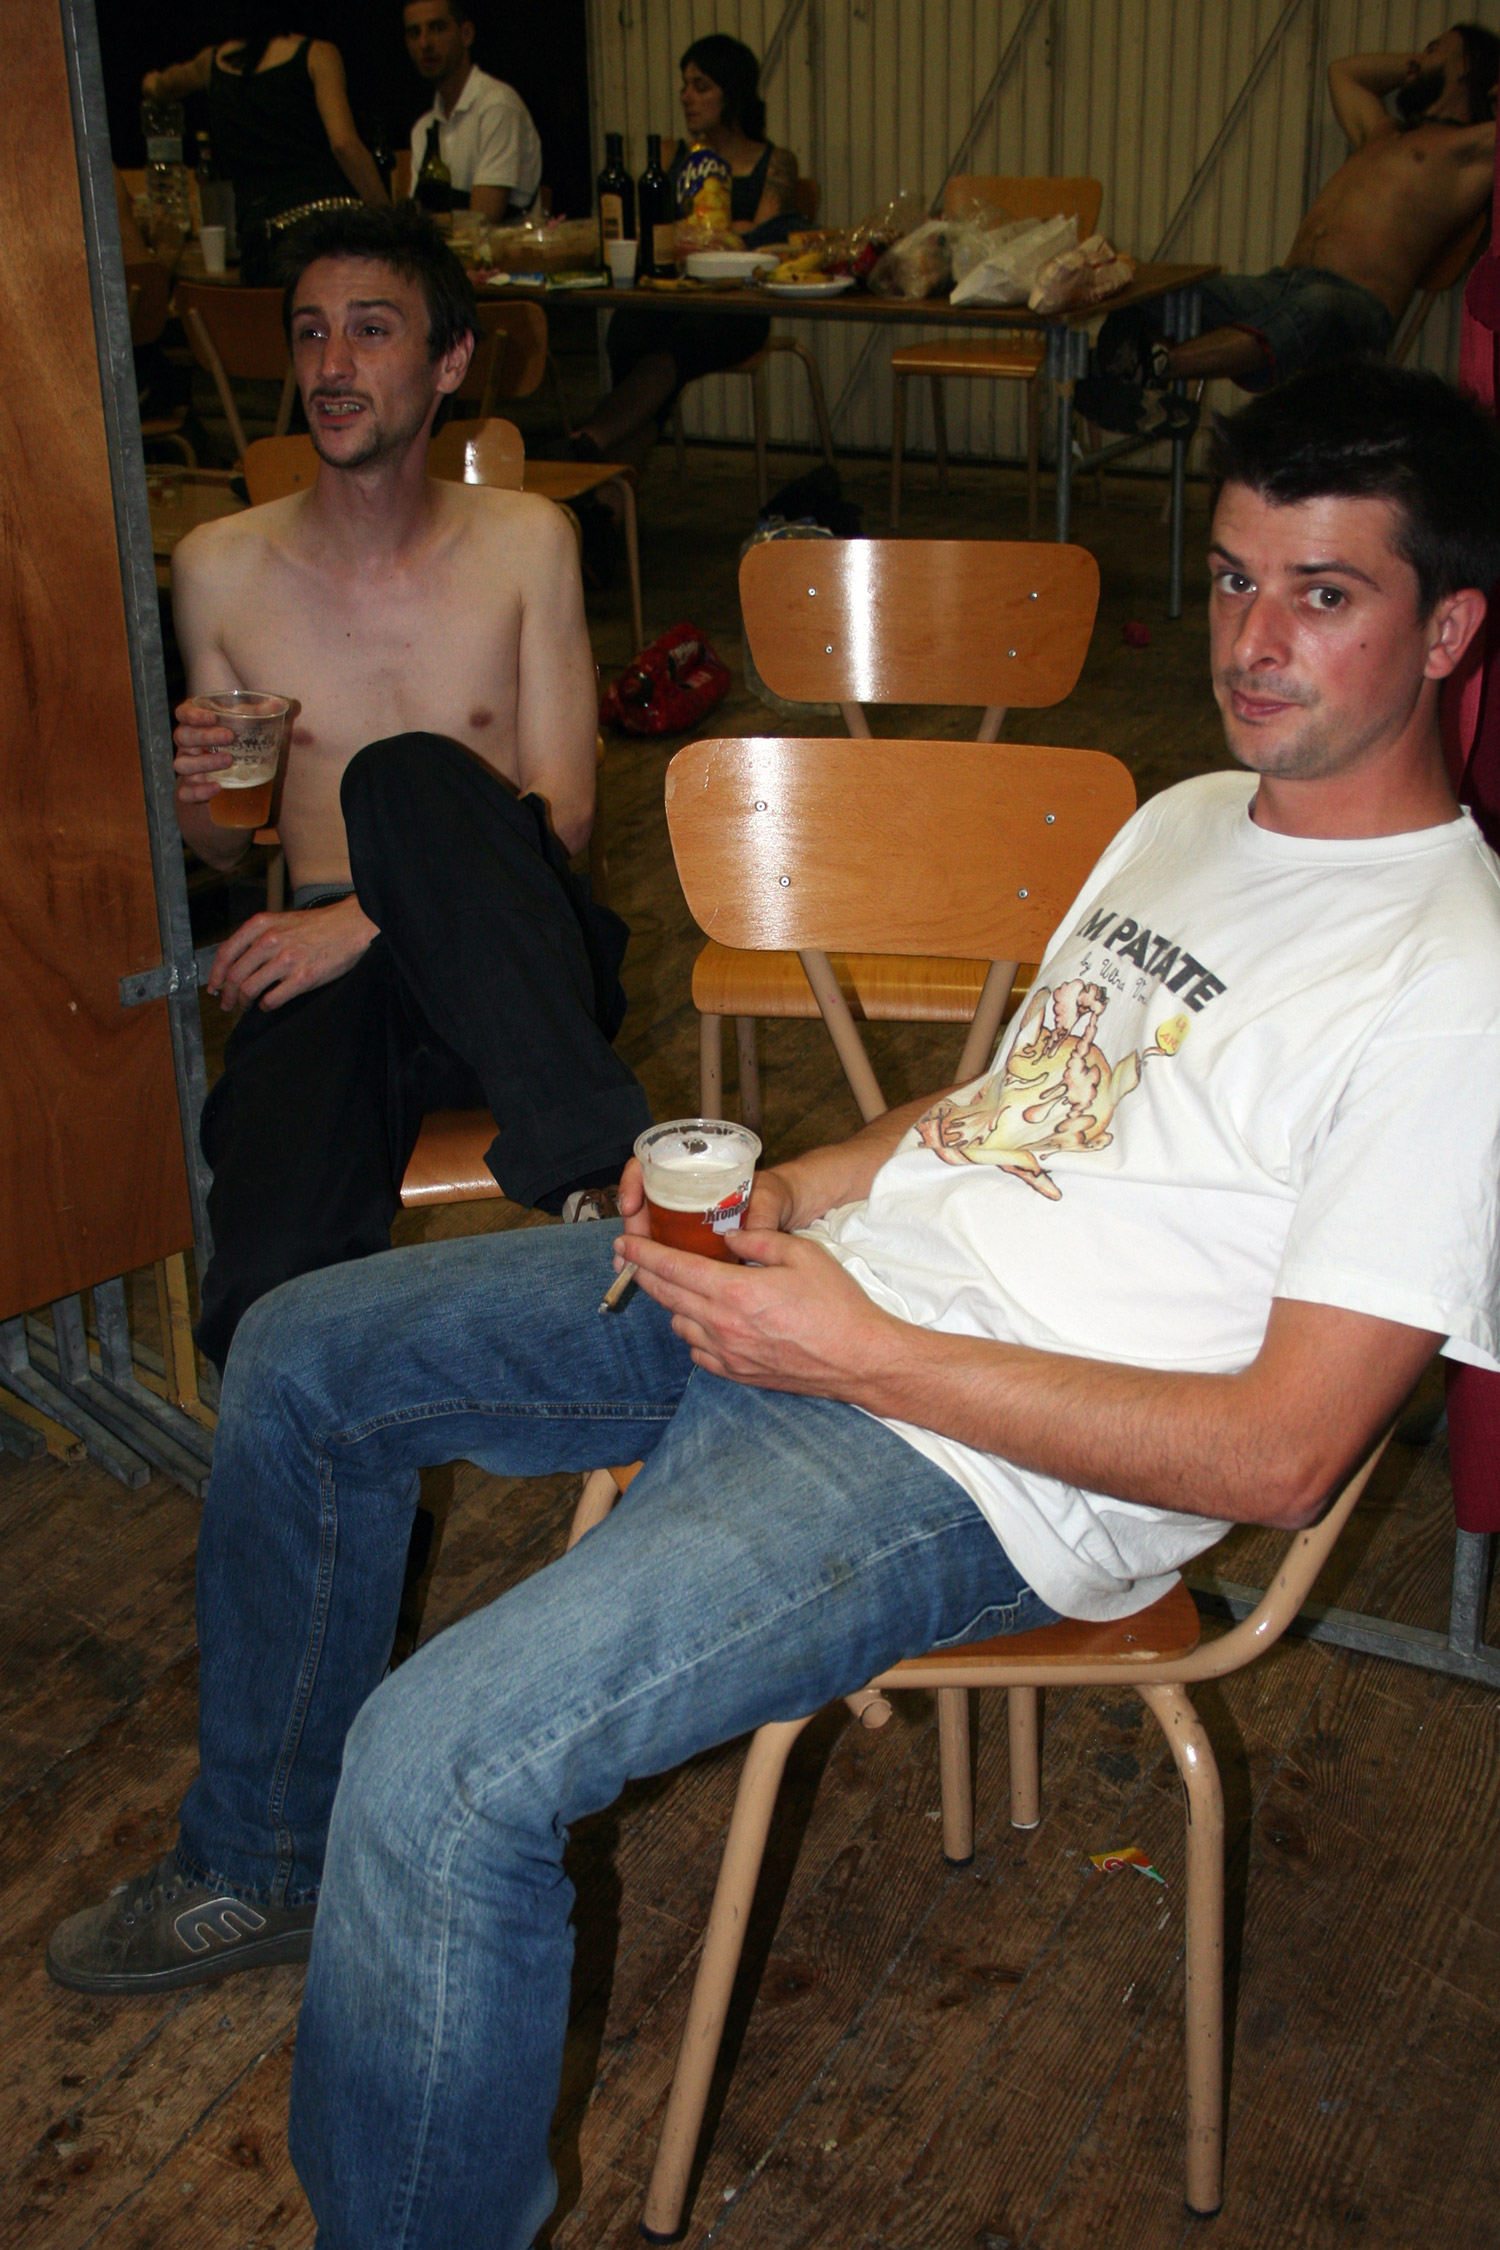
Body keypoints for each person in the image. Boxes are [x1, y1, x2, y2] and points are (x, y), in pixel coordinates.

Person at [47, 364, 1500, 2250]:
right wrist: (802, 1191)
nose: (1252, 641)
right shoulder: (1191, 813)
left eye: (1324, 594)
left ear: (1449, 628)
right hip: (842, 1299)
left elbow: (1286, 1457)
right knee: (307, 1349)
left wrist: (860, 1350)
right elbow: (1005, 1103)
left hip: (981, 1467)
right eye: (1232, 579)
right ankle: (263, 1860)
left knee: (445, 1766)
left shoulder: (1452, 983)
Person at [158, 202, 650, 1376]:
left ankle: (599, 1173)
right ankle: (327, 1456)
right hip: (323, 977)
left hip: (512, 957)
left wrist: (362, 919)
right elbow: (222, 851)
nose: (333, 364)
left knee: (401, 775)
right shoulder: (220, 566)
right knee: (271, 1273)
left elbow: (568, 810)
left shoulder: (528, 540)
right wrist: (194, 792)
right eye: (312, 332)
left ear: (451, 361)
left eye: (372, 330)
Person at [1079, 25, 1498, 436]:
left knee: (1317, 304)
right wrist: (1415, 65)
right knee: (1159, 290)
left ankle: (1156, 369)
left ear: (1469, 64)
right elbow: (1343, 73)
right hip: (1282, 285)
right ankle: (1132, 385)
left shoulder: (1472, 150)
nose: (1420, 56)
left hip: (1357, 309)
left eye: (1433, 49)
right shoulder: (1382, 131)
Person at [565, 34, 802, 477]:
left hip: (737, 305)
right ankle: (606, 483)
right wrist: (722, 231)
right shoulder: (672, 156)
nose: (686, 96)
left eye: (701, 86)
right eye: (684, 85)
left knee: (676, 348)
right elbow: (651, 229)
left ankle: (592, 442)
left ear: (732, 93)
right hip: (671, 293)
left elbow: (765, 238)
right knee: (629, 330)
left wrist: (699, 234)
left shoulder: (774, 161)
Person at [143, 7, 389, 283]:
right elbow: (344, 145)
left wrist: (153, 85)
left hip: (264, 246)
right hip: (333, 232)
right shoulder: (317, 54)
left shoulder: (214, 62)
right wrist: (390, 220)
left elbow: (165, 85)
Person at [402, 0, 542, 221]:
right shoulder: (424, 128)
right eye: (414, 33)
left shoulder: (497, 107)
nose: (424, 43)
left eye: (437, 28)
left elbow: (482, 221)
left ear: (466, 34)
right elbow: (417, 221)